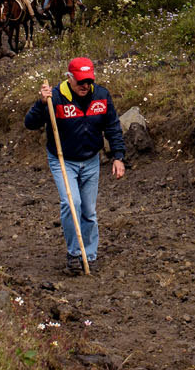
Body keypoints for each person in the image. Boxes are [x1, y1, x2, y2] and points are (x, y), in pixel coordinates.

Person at [23, 58, 128, 275]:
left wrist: (118, 156)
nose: (84, 86)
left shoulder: (101, 96)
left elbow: (113, 126)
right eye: (80, 81)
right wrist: (41, 103)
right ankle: (74, 254)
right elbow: (30, 124)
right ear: (69, 78)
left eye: (88, 81)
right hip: (63, 160)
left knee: (89, 211)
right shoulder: (55, 97)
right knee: (72, 204)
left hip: (91, 159)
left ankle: (89, 255)